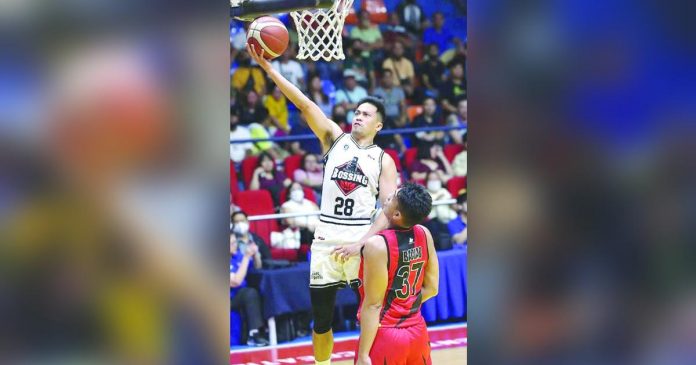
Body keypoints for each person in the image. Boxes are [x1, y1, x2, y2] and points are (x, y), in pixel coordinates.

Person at [247, 43, 398, 365]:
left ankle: (366, 359)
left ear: (378, 126)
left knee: (372, 310)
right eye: (356, 112)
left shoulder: (384, 160)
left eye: (366, 114)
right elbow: (304, 103)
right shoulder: (334, 137)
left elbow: (388, 210)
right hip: (327, 240)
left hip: (364, 241)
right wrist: (270, 70)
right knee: (321, 320)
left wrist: (362, 243)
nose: (358, 116)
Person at [354, 183, 439, 365]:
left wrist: (363, 355)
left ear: (397, 215)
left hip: (386, 334)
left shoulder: (376, 245)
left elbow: (374, 305)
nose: (387, 197)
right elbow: (432, 289)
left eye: (392, 197)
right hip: (418, 333)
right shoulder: (425, 234)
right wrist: (404, 305)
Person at [230, 233, 270, 347]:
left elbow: (257, 267)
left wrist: (255, 254)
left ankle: (267, 330)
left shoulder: (237, 255)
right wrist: (246, 257)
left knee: (261, 289)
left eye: (235, 242)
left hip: (239, 294)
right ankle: (254, 334)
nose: (235, 245)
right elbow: (235, 281)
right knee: (249, 293)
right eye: (232, 243)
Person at [372, 69, 408, 153]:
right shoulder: (376, 92)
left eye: (389, 77)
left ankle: (398, 148)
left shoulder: (399, 91)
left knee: (394, 123)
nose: (387, 79)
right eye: (385, 77)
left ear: (392, 78)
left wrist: (403, 118)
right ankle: (400, 146)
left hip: (396, 118)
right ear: (382, 79)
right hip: (382, 119)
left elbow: (403, 106)